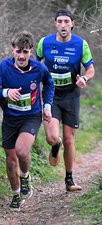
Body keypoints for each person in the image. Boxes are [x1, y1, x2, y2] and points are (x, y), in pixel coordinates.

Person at [36, 9, 95, 192]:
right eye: (59, 21)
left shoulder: (81, 44)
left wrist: (84, 78)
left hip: (71, 95)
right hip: (50, 95)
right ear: (55, 24)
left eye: (66, 21)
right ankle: (56, 145)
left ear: (72, 23)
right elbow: (35, 65)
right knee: (52, 137)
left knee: (70, 140)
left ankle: (69, 179)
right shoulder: (44, 42)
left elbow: (90, 69)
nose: (63, 25)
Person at [0, 31, 54, 211]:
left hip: (31, 117)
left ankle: (25, 176)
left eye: (25, 52)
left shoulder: (39, 68)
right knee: (10, 160)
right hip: (10, 118)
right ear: (12, 51)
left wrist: (47, 106)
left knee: (21, 151)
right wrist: (6, 92)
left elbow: (49, 84)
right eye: (18, 51)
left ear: (31, 51)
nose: (21, 56)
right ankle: (16, 194)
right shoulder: (4, 67)